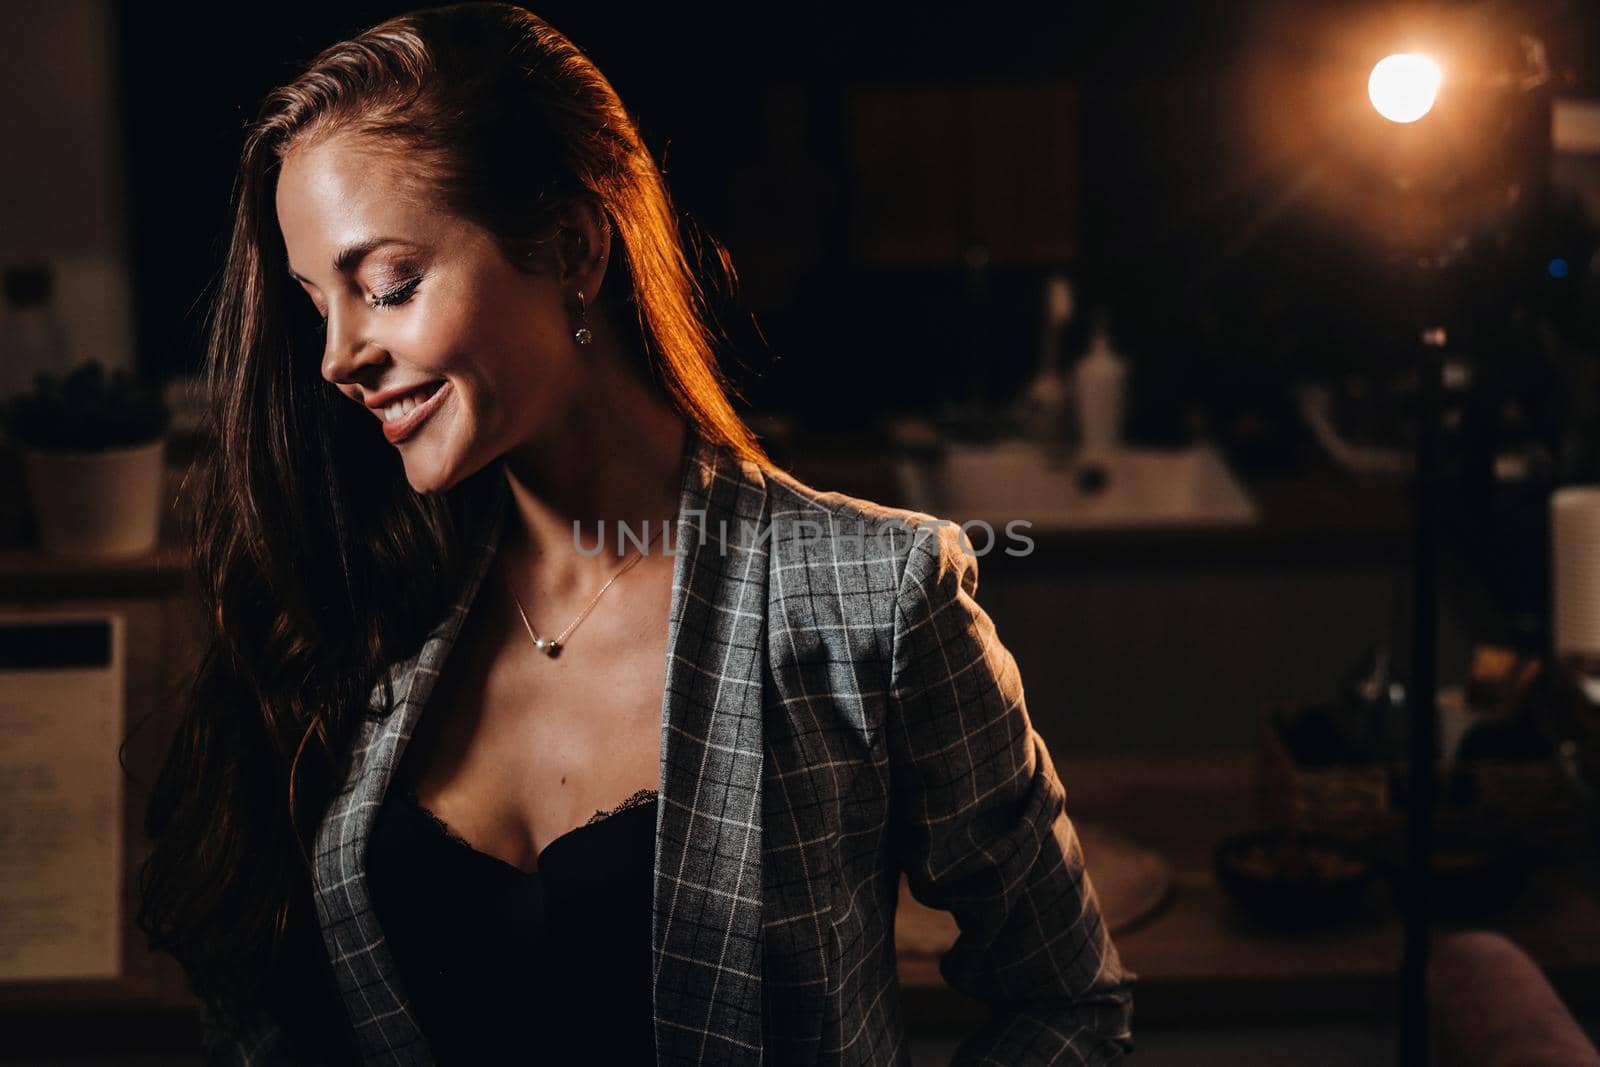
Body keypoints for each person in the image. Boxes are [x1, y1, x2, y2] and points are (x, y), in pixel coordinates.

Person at [137, 4, 1136, 1064]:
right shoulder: (348, 591)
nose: (340, 355)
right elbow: (254, 1018)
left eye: (388, 284)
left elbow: (1067, 1002)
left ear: (571, 247)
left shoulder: (872, 596)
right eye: (315, 304)